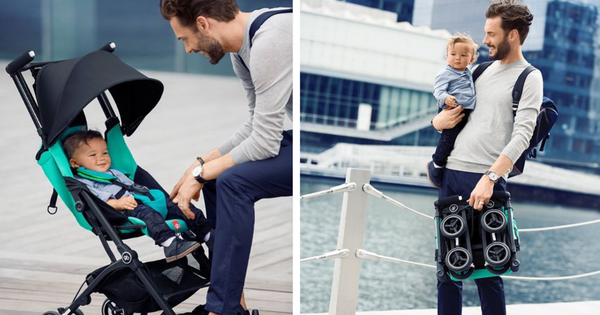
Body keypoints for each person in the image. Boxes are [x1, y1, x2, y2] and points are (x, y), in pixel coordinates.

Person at [159, 1, 292, 315]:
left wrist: (199, 176)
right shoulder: (241, 51)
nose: (188, 49)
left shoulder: (270, 41)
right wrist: (201, 164)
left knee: (232, 181)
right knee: (219, 178)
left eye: (184, 39)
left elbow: (265, 142)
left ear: (203, 24)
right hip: (296, 140)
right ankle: (233, 305)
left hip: (309, 144)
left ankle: (221, 310)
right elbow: (255, 124)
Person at [430, 1, 542, 314]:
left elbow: (522, 136)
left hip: (485, 181)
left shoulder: (529, 77)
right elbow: (450, 116)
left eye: (492, 34)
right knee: (448, 270)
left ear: (514, 36)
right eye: (485, 33)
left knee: (488, 271)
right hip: (452, 174)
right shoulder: (478, 70)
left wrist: (491, 178)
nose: (485, 40)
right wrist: (436, 122)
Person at [63, 130, 214, 263]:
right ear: (75, 163)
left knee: (181, 205)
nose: (101, 158)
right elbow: (98, 204)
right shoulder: (86, 182)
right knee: (147, 215)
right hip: (125, 211)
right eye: (93, 155)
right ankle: (170, 244)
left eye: (105, 153)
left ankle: (208, 234)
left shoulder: (114, 171)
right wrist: (118, 204)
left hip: (145, 201)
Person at [427, 33, 479, 188]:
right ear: (447, 55)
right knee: (448, 139)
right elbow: (438, 90)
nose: (458, 58)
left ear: (471, 59)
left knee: (459, 139)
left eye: (463, 55)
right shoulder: (445, 73)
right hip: (451, 109)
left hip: (465, 111)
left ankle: (446, 163)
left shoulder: (469, 71)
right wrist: (445, 98)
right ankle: (437, 165)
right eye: (453, 54)